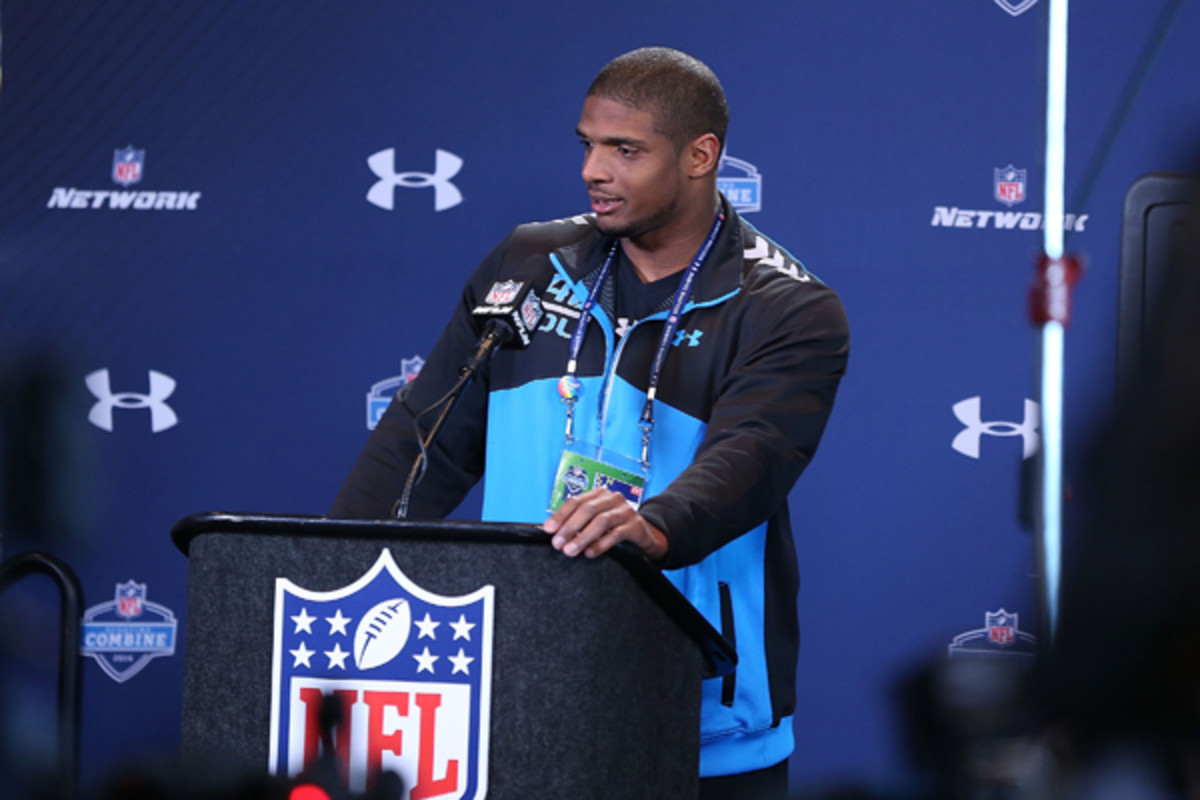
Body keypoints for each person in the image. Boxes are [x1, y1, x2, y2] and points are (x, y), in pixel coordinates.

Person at [331, 46, 850, 798]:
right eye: (588, 145)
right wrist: (332, 568)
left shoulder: (786, 306)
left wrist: (655, 528)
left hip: (698, 715)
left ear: (701, 156)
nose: (593, 171)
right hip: (512, 687)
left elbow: (756, 455)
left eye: (625, 150)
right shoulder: (530, 262)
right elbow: (425, 436)